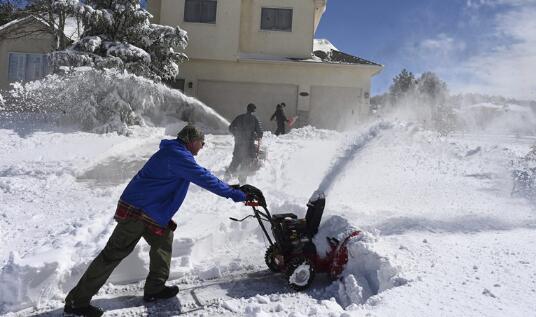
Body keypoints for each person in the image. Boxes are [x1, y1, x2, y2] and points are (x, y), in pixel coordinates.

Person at [64, 125, 255, 317]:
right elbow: (203, 178)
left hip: (151, 211)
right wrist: (234, 194)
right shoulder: (177, 156)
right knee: (112, 254)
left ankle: (155, 288)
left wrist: (232, 188)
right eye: (201, 142)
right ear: (191, 141)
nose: (203, 146)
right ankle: (76, 302)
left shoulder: (177, 153)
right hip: (138, 211)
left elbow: (202, 174)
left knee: (163, 240)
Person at [227, 103, 263, 177]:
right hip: (249, 145)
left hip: (238, 143)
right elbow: (260, 132)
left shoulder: (239, 117)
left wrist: (236, 134)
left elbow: (230, 128)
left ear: (247, 109)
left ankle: (226, 176)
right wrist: (257, 136)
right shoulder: (254, 119)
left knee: (236, 161)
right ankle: (242, 179)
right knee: (246, 162)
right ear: (253, 111)